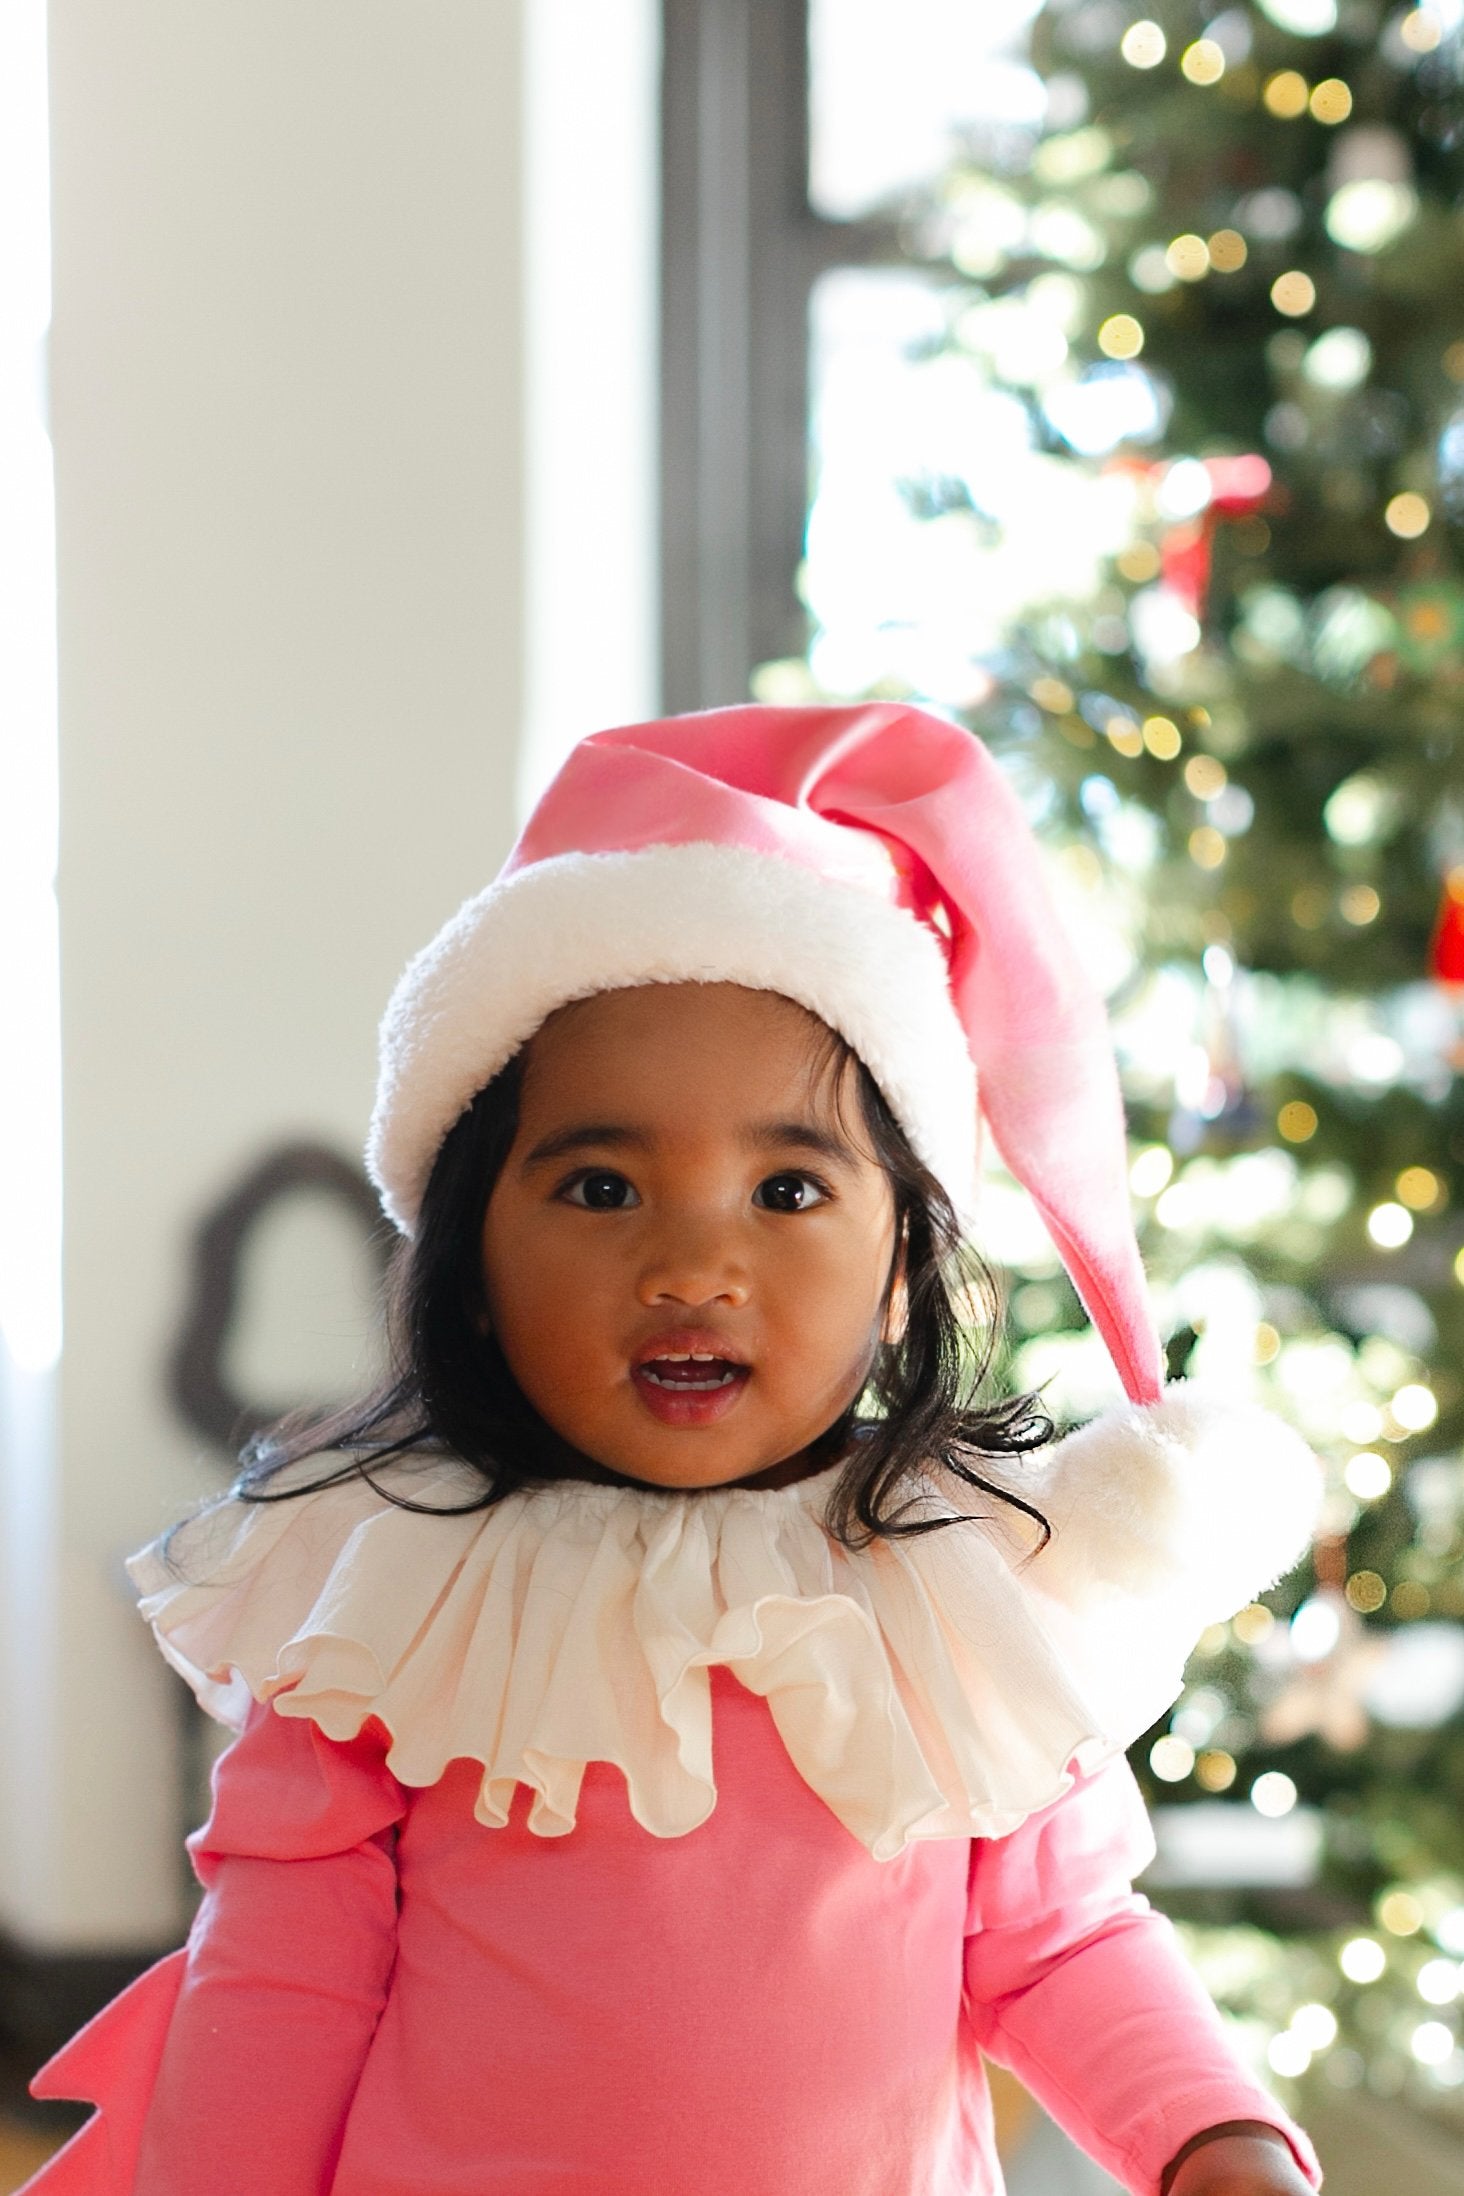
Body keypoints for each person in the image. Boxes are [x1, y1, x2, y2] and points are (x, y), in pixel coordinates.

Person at [25, 705, 1326, 2196]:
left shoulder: (960, 1601)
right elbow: (274, 1994)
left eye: (786, 1190)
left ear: (902, 1262)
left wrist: (1217, 2141)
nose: (695, 1263)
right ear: (471, 1261)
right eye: (597, 1185)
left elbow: (1065, 1939)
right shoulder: (398, 1608)